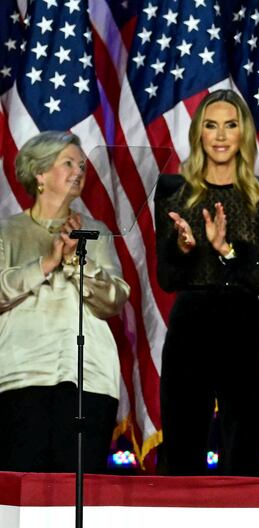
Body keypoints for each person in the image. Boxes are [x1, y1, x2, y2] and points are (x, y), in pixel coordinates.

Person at [155, 89, 259, 476]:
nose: (220, 135)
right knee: (182, 450)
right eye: (211, 125)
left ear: (243, 134)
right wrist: (184, 248)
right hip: (189, 327)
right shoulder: (172, 191)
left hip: (241, 326)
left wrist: (226, 249)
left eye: (230, 125)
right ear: (199, 133)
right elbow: (166, 278)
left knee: (245, 452)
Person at [0, 131, 130, 473]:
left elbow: (114, 300)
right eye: (68, 163)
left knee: (78, 489)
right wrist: (46, 262)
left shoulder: (96, 231)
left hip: (89, 378)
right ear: (39, 174)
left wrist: (76, 261)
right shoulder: (7, 232)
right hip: (21, 377)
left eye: (83, 165)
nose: (79, 171)